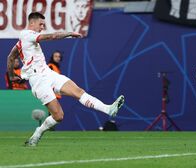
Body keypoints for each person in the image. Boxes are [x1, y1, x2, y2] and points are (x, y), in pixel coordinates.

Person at [7, 12, 125, 147]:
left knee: (78, 91)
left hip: (47, 73)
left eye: (43, 25)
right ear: (31, 23)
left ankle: (108, 109)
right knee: (59, 116)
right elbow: (53, 36)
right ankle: (37, 133)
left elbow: (11, 56)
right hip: (38, 80)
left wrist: (11, 75)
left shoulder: (23, 41)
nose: (42, 27)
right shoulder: (27, 35)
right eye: (40, 24)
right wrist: (69, 33)